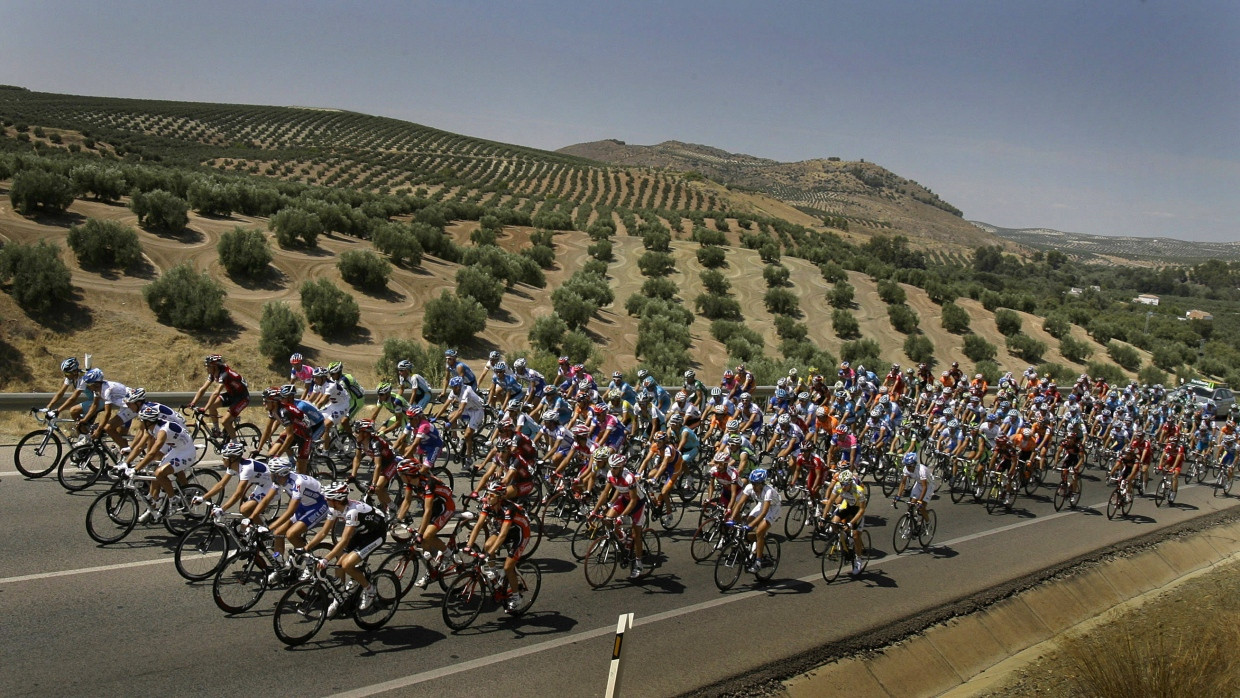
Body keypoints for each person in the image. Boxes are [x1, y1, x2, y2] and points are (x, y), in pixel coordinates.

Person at [306, 482, 386, 615]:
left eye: (328, 498)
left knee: (347, 565)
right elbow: (323, 533)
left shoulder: (352, 512)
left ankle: (370, 590)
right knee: (339, 564)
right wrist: (306, 548)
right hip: (361, 532)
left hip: (376, 534)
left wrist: (326, 559)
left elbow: (344, 540)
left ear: (336, 500)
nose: (325, 500)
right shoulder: (334, 509)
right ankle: (339, 596)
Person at [121, 404, 197, 523]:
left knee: (160, 473)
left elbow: (152, 453)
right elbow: (140, 447)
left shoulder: (163, 431)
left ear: (148, 421)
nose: (140, 422)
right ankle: (153, 506)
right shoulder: (150, 428)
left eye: (142, 420)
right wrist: (126, 463)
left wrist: (135, 469)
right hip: (177, 449)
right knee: (155, 474)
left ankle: (173, 500)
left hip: (186, 452)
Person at [464, 481, 532, 611]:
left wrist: (489, 555)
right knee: (488, 544)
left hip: (520, 533)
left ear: (500, 498)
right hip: (504, 528)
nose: (488, 497)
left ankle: (517, 596)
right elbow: (478, 525)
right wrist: (469, 545)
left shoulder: (509, 510)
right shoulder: (488, 505)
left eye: (491, 495)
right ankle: (495, 573)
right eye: (488, 494)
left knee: (508, 567)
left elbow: (502, 536)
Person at [392, 460, 457, 589]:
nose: (399, 477)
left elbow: (427, 511)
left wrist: (421, 533)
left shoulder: (428, 484)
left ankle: (448, 556)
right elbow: (407, 500)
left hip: (445, 507)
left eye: (401, 475)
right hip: (434, 507)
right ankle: (432, 570)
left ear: (408, 475)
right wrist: (397, 519)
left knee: (426, 536)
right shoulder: (411, 483)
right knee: (422, 543)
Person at [591, 453, 649, 580]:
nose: (612, 470)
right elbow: (605, 492)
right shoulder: (611, 475)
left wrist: (621, 516)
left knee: (636, 535)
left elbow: (633, 501)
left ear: (621, 467)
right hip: (624, 498)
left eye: (615, 468)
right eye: (611, 467)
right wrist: (594, 511)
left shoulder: (629, 478)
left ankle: (639, 563)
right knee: (607, 519)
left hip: (637, 502)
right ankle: (622, 538)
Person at [188, 355, 249, 442]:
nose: (206, 368)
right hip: (231, 394)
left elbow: (216, 392)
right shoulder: (213, 373)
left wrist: (205, 408)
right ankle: (217, 431)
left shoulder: (225, 373)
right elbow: (203, 389)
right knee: (212, 406)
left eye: (208, 366)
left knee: (225, 422)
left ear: (215, 366)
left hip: (242, 397)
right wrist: (193, 403)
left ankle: (236, 445)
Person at [823, 468, 869, 575]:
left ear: (850, 483)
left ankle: (858, 560)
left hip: (857, 510)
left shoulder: (858, 490)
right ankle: (843, 539)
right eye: (842, 484)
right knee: (834, 523)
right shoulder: (839, 486)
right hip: (847, 505)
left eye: (845, 484)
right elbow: (830, 501)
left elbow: (862, 510)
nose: (843, 487)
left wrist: (851, 523)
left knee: (856, 535)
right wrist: (823, 517)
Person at [79, 368, 133, 451]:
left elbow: (108, 413)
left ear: (96, 383)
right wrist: (84, 420)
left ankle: (129, 458)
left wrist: (99, 430)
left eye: (89, 385)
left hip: (132, 406)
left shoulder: (106, 390)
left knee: (108, 428)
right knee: (120, 435)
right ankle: (126, 454)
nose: (88, 387)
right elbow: (95, 405)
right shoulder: (97, 389)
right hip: (125, 406)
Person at [45, 357, 94, 432]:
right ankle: (87, 437)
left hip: (99, 401)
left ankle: (86, 437)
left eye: (67, 373)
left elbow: (73, 398)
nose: (65, 376)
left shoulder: (83, 377)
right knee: (79, 425)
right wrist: (49, 406)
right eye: (64, 373)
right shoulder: (70, 377)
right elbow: (61, 393)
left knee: (74, 411)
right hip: (92, 400)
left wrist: (58, 411)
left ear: (74, 371)